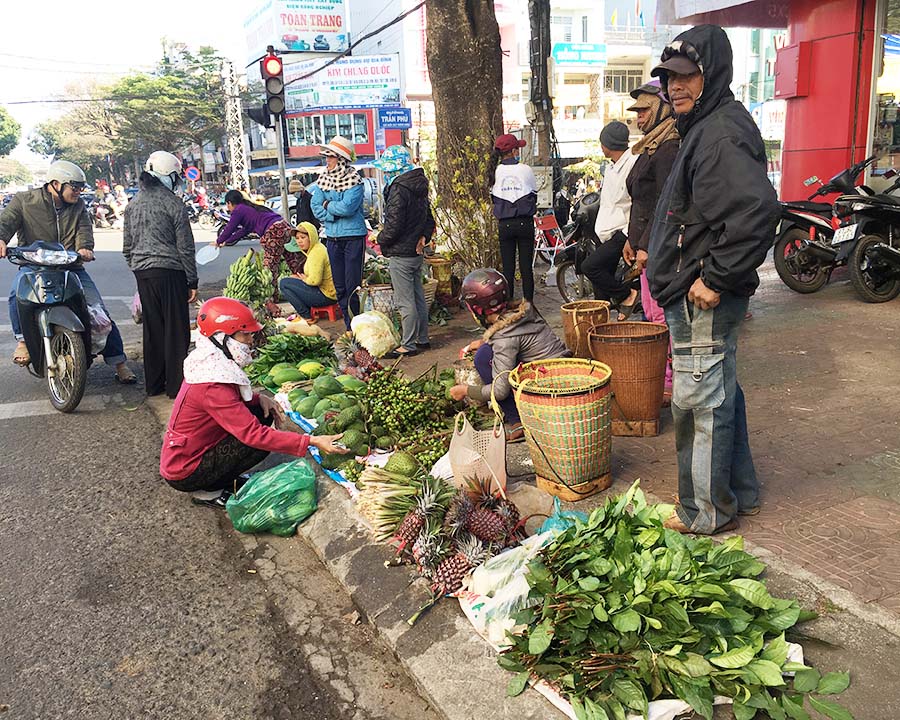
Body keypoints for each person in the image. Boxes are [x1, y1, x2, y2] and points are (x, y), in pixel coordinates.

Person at [647, 25, 779, 535]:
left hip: (701, 297)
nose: (675, 87)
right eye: (668, 79)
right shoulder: (707, 125)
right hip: (697, 290)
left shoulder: (719, 131)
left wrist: (716, 277)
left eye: (686, 76)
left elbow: (755, 212)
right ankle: (737, 495)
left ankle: (704, 512)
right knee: (720, 393)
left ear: (712, 74)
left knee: (699, 404)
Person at [160, 297, 347, 508]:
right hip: (185, 469)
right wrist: (311, 441)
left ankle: (220, 480)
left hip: (193, 452)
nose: (250, 341)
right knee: (256, 440)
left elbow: (232, 401)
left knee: (260, 412)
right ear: (222, 337)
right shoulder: (211, 384)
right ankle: (208, 491)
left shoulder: (210, 364)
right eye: (245, 334)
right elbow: (253, 435)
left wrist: (261, 398)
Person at [0, 160, 135, 383]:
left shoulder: (79, 205)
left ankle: (119, 362)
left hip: (70, 266)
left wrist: (85, 248)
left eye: (81, 187)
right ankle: (23, 341)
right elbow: (6, 222)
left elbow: (84, 230)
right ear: (56, 184)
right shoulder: (25, 200)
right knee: (16, 295)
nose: (79, 192)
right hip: (34, 265)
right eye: (75, 187)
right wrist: (2, 239)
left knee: (98, 310)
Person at [448, 269, 570, 441]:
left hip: (549, 385)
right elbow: (515, 336)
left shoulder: (505, 339)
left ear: (478, 309)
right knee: (485, 350)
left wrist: (465, 390)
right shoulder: (521, 311)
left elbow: (500, 391)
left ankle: (517, 421)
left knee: (483, 358)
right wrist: (484, 340)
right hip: (560, 366)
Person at [622, 79, 681, 399]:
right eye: (637, 112)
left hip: (660, 247)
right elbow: (641, 202)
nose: (639, 118)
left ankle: (669, 380)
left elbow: (664, 204)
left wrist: (646, 245)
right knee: (650, 311)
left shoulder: (671, 147)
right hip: (647, 243)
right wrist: (632, 240)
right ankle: (664, 375)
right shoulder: (652, 147)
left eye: (644, 111)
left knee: (658, 316)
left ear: (662, 108)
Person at [123, 150, 198, 398]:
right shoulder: (173, 203)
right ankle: (176, 388)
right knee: (176, 331)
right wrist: (192, 280)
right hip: (170, 272)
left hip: (143, 273)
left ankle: (154, 385)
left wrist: (138, 267)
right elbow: (185, 246)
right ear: (169, 176)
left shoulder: (132, 205)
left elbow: (127, 247)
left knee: (153, 330)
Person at [372, 145, 435, 358]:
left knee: (404, 301)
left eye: (387, 170)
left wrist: (378, 238)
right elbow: (429, 219)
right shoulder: (418, 185)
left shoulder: (398, 188)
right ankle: (422, 339)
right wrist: (424, 237)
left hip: (401, 252)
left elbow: (394, 225)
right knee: (418, 297)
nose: (385, 174)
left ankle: (408, 345)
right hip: (415, 251)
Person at [580, 121, 639, 317]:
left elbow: (634, 201)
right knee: (600, 287)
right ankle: (606, 324)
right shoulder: (613, 166)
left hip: (622, 231)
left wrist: (629, 235)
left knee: (590, 266)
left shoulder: (632, 164)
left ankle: (626, 295)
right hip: (606, 230)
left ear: (607, 145)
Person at [215, 189, 304, 314]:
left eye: (227, 205)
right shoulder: (249, 208)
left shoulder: (238, 210)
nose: (228, 208)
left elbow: (230, 227)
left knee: (269, 267)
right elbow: (244, 231)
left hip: (272, 231)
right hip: (284, 226)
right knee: (292, 260)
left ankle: (271, 300)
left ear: (229, 203)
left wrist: (219, 241)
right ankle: (304, 287)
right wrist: (227, 240)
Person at [311, 135, 367, 329]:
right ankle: (348, 324)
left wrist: (328, 206)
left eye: (331, 157)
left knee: (353, 286)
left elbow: (348, 208)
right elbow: (315, 206)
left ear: (341, 159)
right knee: (340, 286)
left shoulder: (355, 181)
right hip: (333, 238)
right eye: (326, 157)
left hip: (353, 237)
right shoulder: (322, 180)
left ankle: (357, 324)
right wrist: (332, 211)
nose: (327, 161)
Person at [490, 134, 537, 303]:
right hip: (525, 223)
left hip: (505, 224)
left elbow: (493, 198)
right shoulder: (525, 169)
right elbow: (534, 193)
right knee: (526, 269)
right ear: (514, 151)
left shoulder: (494, 171)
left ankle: (508, 304)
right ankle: (529, 304)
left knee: (507, 269)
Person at [278, 222, 337, 320]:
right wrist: (300, 279)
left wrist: (304, 279)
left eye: (303, 237)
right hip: (327, 292)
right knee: (290, 281)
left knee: (284, 283)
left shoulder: (316, 253)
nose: (299, 241)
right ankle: (308, 313)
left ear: (311, 237)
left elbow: (315, 281)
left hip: (326, 295)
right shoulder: (316, 248)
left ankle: (306, 316)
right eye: (297, 238)